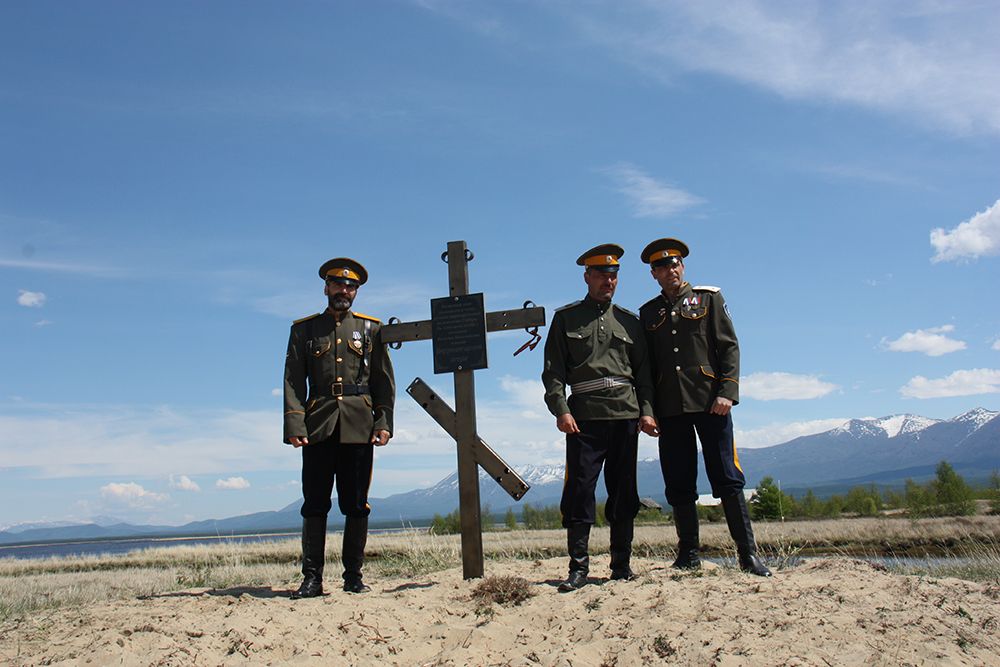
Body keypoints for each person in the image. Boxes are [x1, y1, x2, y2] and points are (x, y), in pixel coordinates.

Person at [638, 238, 770, 577]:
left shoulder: (709, 298)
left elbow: (729, 347)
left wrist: (727, 391)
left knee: (727, 478)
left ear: (683, 266)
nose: (671, 270)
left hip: (712, 404)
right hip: (670, 408)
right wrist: (648, 409)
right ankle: (688, 554)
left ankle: (748, 554)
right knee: (679, 482)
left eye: (676, 263)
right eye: (663, 266)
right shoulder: (648, 313)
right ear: (654, 274)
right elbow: (647, 370)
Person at [542, 244, 657, 592]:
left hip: (625, 414)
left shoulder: (630, 322)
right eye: (602, 274)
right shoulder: (566, 318)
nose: (609, 280)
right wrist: (560, 409)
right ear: (587, 277)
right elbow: (553, 372)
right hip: (584, 418)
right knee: (580, 492)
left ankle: (621, 565)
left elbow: (645, 374)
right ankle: (578, 568)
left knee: (624, 492)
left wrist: (647, 412)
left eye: (614, 275)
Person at [283, 257, 395, 597]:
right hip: (318, 425)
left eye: (351, 286)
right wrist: (294, 422)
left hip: (359, 425)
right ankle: (312, 578)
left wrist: (384, 421)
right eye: (338, 284)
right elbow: (292, 380)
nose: (344, 290)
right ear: (326, 287)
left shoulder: (371, 329)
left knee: (356, 503)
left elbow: (383, 380)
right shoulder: (304, 330)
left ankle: (353, 577)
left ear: (356, 292)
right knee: (315, 502)